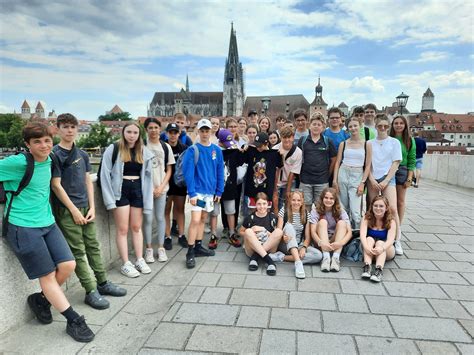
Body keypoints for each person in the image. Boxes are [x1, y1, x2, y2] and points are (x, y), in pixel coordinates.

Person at [1, 122, 94, 342]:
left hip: (47, 222)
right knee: (48, 276)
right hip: (23, 227)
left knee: (69, 265)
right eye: (37, 142)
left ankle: (41, 300)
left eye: (47, 140)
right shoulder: (18, 162)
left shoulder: (51, 159)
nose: (44, 145)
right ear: (27, 144)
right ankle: (73, 319)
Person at [51, 113, 126, 311]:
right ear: (58, 129)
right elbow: (56, 186)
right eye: (65, 127)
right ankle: (90, 289)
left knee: (93, 245)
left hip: (85, 206)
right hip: (68, 210)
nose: (69, 130)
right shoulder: (54, 155)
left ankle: (103, 282)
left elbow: (87, 182)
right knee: (77, 250)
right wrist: (74, 210)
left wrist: (92, 207)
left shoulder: (82, 154)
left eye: (72, 127)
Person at [100, 122, 154, 277]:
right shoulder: (114, 148)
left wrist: (148, 198)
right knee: (123, 229)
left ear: (139, 135)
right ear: (123, 133)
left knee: (136, 227)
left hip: (137, 189)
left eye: (135, 132)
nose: (132, 135)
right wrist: (109, 200)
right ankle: (125, 263)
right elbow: (104, 174)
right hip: (120, 190)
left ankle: (139, 259)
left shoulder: (143, 151)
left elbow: (149, 178)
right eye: (129, 132)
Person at [182, 118, 224, 269]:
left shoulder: (217, 150)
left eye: (207, 130)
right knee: (195, 220)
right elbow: (188, 173)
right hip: (198, 193)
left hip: (209, 193)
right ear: (198, 132)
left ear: (211, 131)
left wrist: (219, 190)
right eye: (202, 131)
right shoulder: (192, 150)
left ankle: (199, 246)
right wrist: (191, 193)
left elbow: (220, 171)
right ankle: (190, 251)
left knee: (203, 218)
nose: (205, 133)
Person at [367, 114, 403, 256]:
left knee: (392, 208)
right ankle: (374, 235)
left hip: (388, 177)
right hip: (373, 178)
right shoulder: (370, 143)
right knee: (373, 209)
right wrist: (371, 179)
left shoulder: (394, 142)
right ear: (375, 126)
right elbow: (367, 163)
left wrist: (386, 180)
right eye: (380, 126)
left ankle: (397, 238)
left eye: (385, 126)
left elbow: (396, 162)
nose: (383, 128)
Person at [143, 118, 175, 263]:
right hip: (146, 190)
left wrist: (161, 186)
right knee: (148, 219)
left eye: (156, 127)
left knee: (161, 218)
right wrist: (149, 188)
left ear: (160, 129)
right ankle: (149, 249)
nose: (154, 130)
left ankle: (161, 248)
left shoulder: (165, 146)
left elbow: (169, 169)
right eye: (150, 128)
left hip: (162, 188)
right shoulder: (142, 146)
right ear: (146, 130)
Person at [333, 117, 372, 229]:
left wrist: (363, 183)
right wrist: (335, 180)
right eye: (350, 126)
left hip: (357, 174)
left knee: (355, 212)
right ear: (347, 128)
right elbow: (337, 163)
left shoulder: (367, 144)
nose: (353, 128)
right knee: (343, 209)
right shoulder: (343, 144)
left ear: (360, 126)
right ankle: (344, 233)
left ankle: (356, 236)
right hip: (343, 173)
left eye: (355, 125)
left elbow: (368, 165)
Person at [208, 129, 244, 249]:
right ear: (220, 142)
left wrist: (242, 151)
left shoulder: (234, 151)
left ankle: (232, 233)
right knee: (214, 213)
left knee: (231, 211)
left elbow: (242, 160)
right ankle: (213, 235)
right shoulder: (213, 151)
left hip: (230, 187)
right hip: (215, 187)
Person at [274, 190, 323, 278]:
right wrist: (282, 237)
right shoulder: (284, 210)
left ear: (302, 201)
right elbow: (278, 231)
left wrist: (304, 248)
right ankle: (298, 263)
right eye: (293, 200)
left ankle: (281, 257)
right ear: (290, 201)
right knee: (289, 226)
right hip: (285, 244)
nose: (296, 203)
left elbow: (307, 237)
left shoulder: (306, 213)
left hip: (299, 244)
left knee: (318, 255)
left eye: (298, 200)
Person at [298, 113, 337, 211]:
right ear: (309, 125)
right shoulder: (302, 141)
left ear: (323, 127)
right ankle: (306, 226)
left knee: (321, 207)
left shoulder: (328, 141)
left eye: (319, 125)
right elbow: (297, 159)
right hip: (305, 180)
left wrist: (328, 174)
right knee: (305, 207)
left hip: (322, 181)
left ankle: (319, 226)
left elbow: (333, 159)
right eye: (314, 124)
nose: (316, 127)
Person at [239, 193, 283, 276]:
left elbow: (275, 236)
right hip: (252, 248)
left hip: (269, 247)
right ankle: (270, 262)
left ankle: (255, 258)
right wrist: (251, 232)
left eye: (264, 204)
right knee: (248, 231)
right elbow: (241, 231)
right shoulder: (250, 218)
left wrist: (263, 230)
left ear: (268, 204)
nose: (262, 207)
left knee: (279, 231)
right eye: (259, 204)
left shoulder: (272, 217)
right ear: (255, 204)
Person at [310, 187, 352, 272]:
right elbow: (313, 232)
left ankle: (335, 258)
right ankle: (326, 258)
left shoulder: (340, 210)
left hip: (334, 240)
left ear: (335, 200)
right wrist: (321, 243)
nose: (328, 200)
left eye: (331, 198)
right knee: (322, 222)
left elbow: (349, 232)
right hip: (320, 240)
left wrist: (340, 243)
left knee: (342, 223)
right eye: (326, 198)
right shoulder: (315, 210)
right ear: (322, 198)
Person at [389, 115, 416, 249]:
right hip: (389, 169)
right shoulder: (389, 139)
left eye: (401, 123)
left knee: (400, 202)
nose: (398, 125)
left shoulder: (409, 140)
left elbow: (412, 160)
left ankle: (397, 229)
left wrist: (410, 178)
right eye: (396, 123)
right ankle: (388, 226)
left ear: (405, 125)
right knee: (388, 202)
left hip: (402, 170)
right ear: (392, 125)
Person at [243, 132, 283, 214]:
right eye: (256, 145)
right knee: (252, 211)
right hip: (252, 189)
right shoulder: (251, 151)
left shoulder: (274, 154)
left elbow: (280, 166)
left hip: (267, 189)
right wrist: (243, 149)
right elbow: (240, 160)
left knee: (265, 210)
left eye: (260, 146)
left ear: (267, 143)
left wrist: (281, 155)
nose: (258, 148)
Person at [164, 123, 188, 250]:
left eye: (175, 133)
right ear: (167, 133)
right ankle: (167, 237)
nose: (173, 135)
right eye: (170, 132)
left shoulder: (184, 148)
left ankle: (181, 235)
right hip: (166, 184)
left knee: (180, 209)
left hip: (179, 185)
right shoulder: (163, 147)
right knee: (166, 211)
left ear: (179, 134)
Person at [360, 195, 396, 282]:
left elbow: (391, 240)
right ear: (372, 207)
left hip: (386, 249)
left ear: (386, 208)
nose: (378, 208)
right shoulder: (366, 218)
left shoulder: (391, 221)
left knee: (380, 243)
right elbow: (362, 236)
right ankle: (367, 267)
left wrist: (382, 248)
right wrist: (366, 247)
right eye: (375, 206)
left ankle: (378, 270)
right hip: (369, 250)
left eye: (381, 206)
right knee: (369, 239)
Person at [273, 126, 302, 210]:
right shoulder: (275, 149)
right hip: (277, 180)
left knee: (288, 203)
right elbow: (275, 170)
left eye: (289, 137)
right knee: (275, 204)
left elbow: (293, 172)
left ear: (293, 137)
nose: (287, 140)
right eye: (284, 137)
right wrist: (275, 189)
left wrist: (288, 190)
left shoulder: (298, 152)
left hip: (290, 180)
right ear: (281, 138)